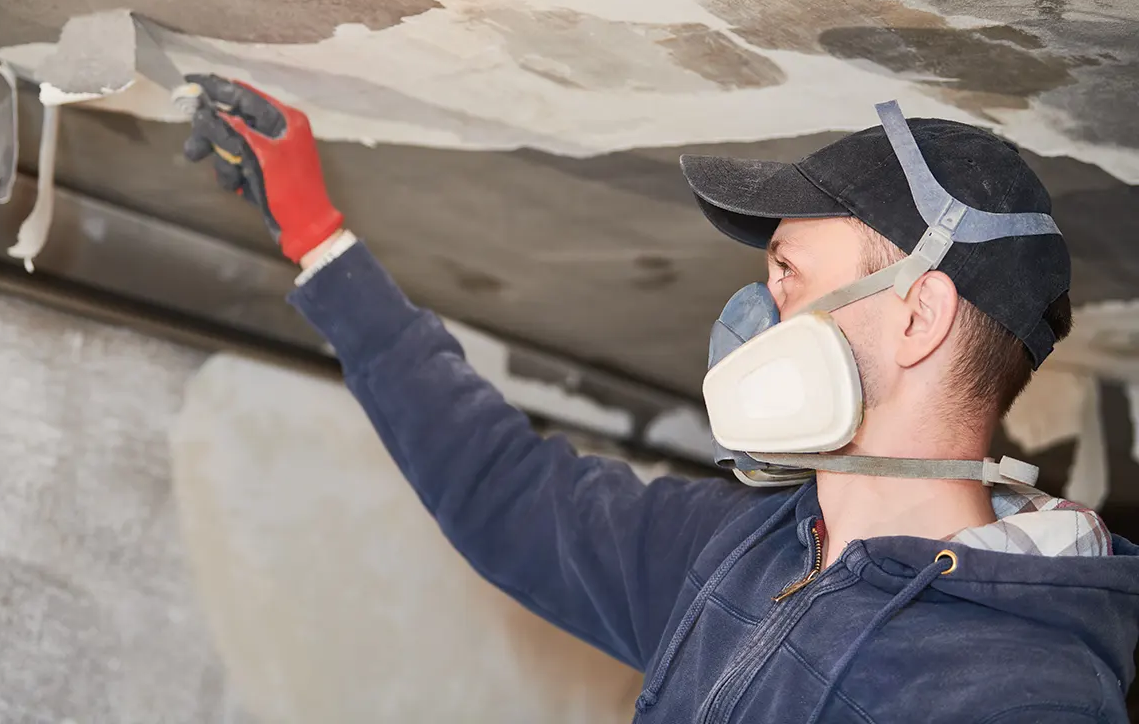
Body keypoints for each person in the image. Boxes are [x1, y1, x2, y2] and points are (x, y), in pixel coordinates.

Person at [178, 74, 1139, 723]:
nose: (765, 313)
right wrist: (318, 238)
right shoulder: (737, 554)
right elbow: (503, 489)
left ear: (918, 315)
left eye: (789, 273)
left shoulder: (1016, 692)